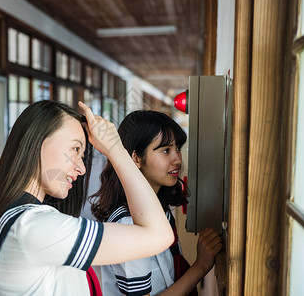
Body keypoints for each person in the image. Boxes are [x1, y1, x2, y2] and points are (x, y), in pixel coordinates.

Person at [0, 100, 175, 296]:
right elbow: (160, 236)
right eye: (75, 149)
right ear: (37, 142)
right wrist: (115, 149)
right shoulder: (33, 227)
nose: (82, 168)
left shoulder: (17, 219)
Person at [91, 110, 222, 296]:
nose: (177, 159)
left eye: (177, 148)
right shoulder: (128, 225)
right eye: (165, 151)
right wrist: (200, 266)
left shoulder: (159, 208)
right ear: (136, 158)